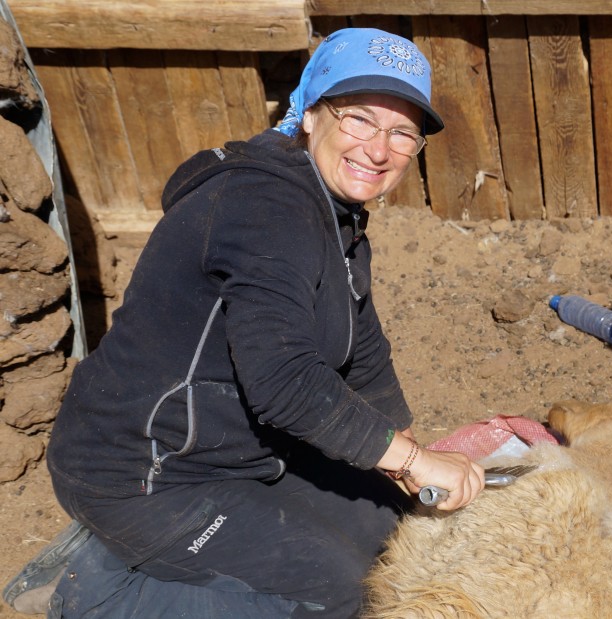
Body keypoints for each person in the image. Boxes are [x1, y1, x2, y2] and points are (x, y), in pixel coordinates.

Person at [4, 27, 485, 618]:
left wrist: (405, 450)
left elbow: (364, 352)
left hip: (235, 450)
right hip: (144, 473)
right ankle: (90, 593)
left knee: (387, 527)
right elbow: (285, 382)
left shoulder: (336, 216)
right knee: (335, 592)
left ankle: (150, 565)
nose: (379, 149)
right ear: (311, 114)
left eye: (402, 132)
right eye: (359, 118)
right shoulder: (264, 205)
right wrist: (413, 462)